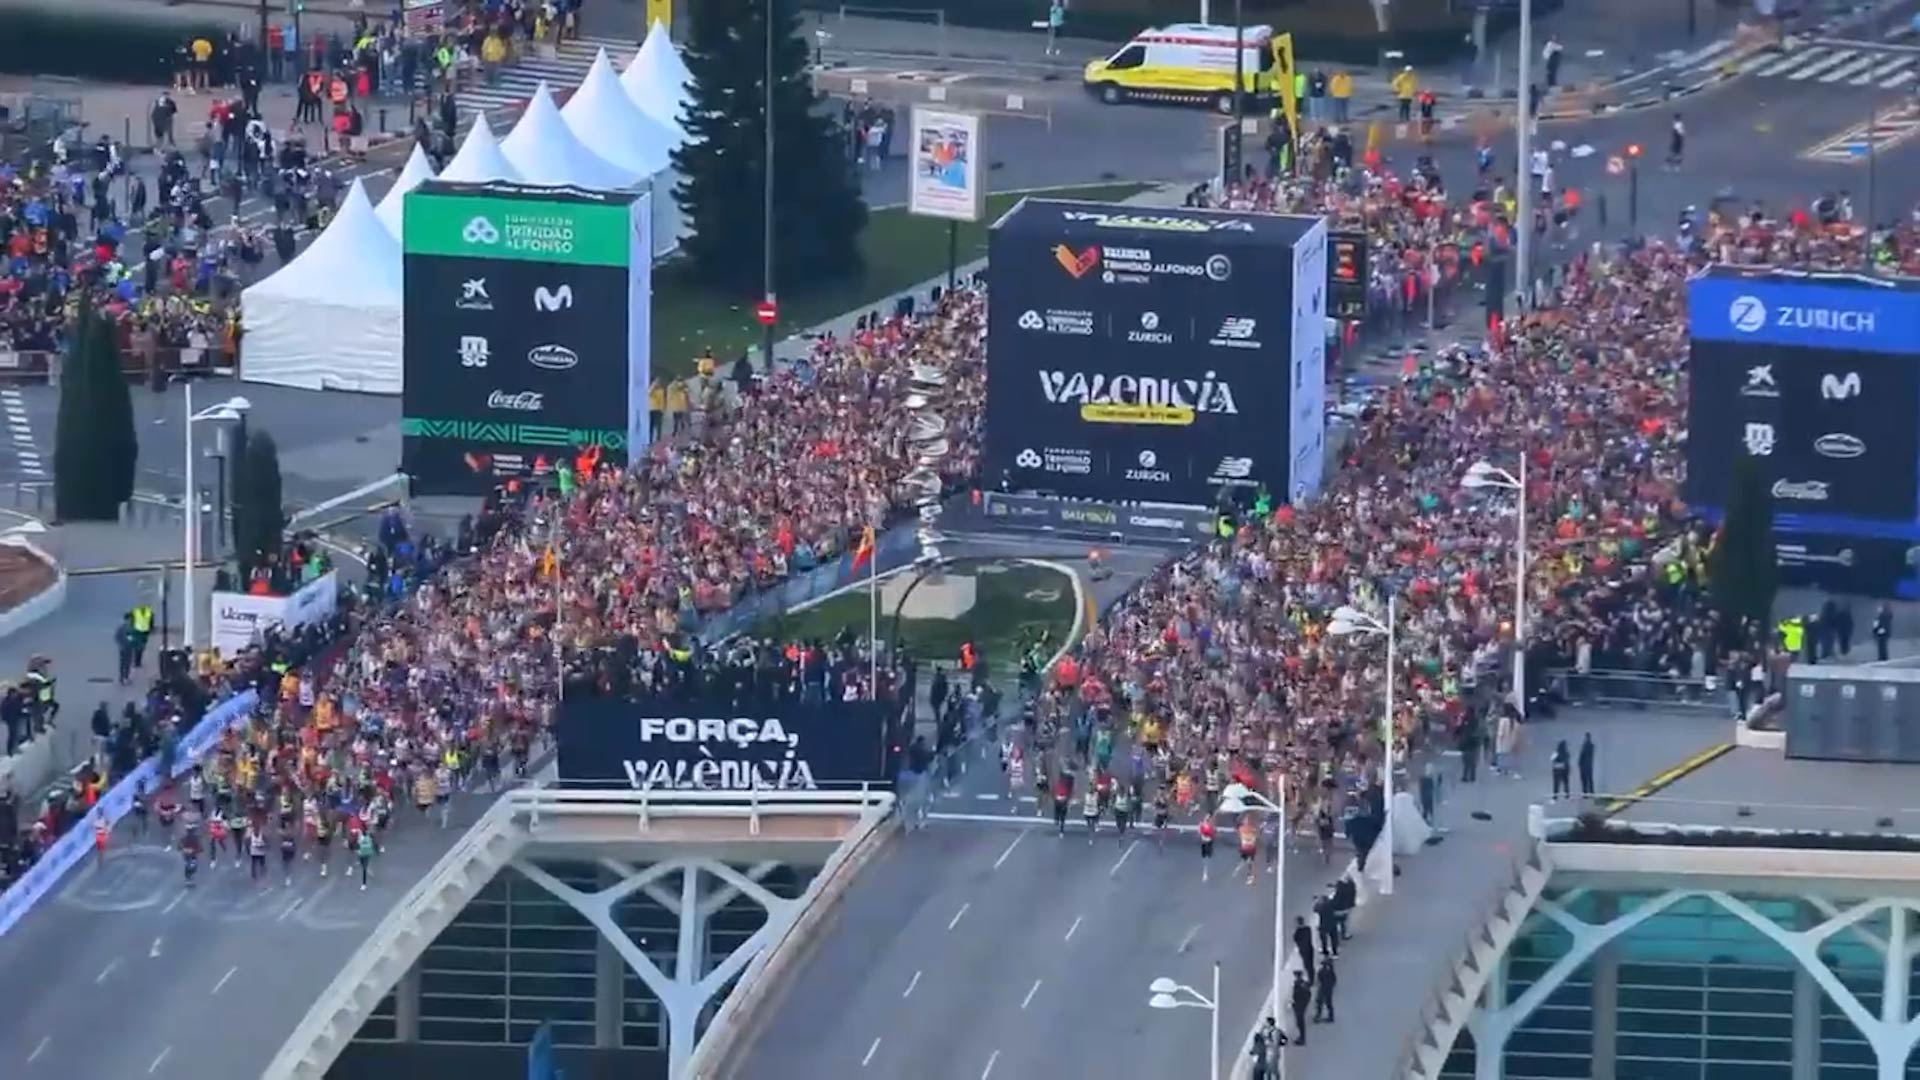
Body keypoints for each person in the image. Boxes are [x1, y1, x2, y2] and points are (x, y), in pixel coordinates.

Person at [1289, 970, 1312, 1045]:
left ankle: (1302, 1039)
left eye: (1297, 976)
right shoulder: (1298, 983)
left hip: (1300, 1006)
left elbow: (1307, 995)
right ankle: (1301, 1037)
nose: (1296, 977)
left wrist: (1302, 1004)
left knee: (1300, 1022)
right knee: (1299, 1022)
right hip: (1298, 1005)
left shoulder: (1302, 984)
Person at [1313, 956, 1338, 1023]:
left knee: (1320, 1002)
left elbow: (1319, 979)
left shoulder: (1322, 971)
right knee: (1328, 1002)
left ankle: (1318, 1016)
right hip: (1328, 988)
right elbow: (1334, 980)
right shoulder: (1331, 971)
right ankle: (1330, 1016)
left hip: (1323, 988)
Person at [1198, 813, 1217, 882]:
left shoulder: (1211, 826)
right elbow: (1200, 832)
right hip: (1204, 842)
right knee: (1204, 857)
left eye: (1208, 818)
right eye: (1206, 818)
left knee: (1207, 858)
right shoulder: (1202, 825)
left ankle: (1206, 872)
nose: (1207, 819)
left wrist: (1211, 835)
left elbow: (1214, 834)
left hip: (1209, 842)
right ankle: (1205, 872)